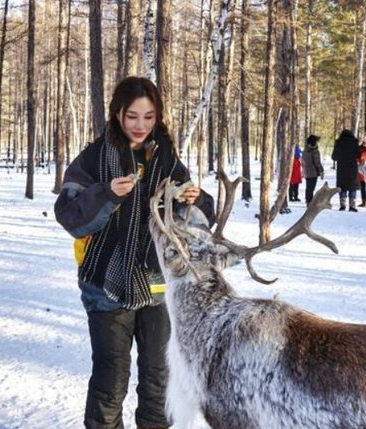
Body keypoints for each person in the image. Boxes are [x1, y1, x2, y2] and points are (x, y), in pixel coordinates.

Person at [54, 76, 215, 429]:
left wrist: (195, 199)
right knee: (110, 379)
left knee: (159, 379)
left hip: (158, 287)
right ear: (117, 114)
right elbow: (68, 214)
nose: (140, 126)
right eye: (132, 116)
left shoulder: (166, 158)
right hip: (105, 289)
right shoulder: (94, 158)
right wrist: (106, 193)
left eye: (148, 117)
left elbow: (199, 219)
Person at [331, 129, 361, 212]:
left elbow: (334, 157)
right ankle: (352, 205)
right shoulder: (354, 142)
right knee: (352, 187)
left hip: (342, 168)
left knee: (342, 186)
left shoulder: (338, 143)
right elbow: (359, 155)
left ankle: (342, 205)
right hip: (352, 168)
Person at [301, 134, 324, 205]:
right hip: (313, 172)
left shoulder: (305, 150)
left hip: (306, 171)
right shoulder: (314, 151)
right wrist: (321, 171)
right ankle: (309, 201)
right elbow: (317, 162)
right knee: (311, 187)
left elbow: (302, 161)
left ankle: (308, 200)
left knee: (308, 187)